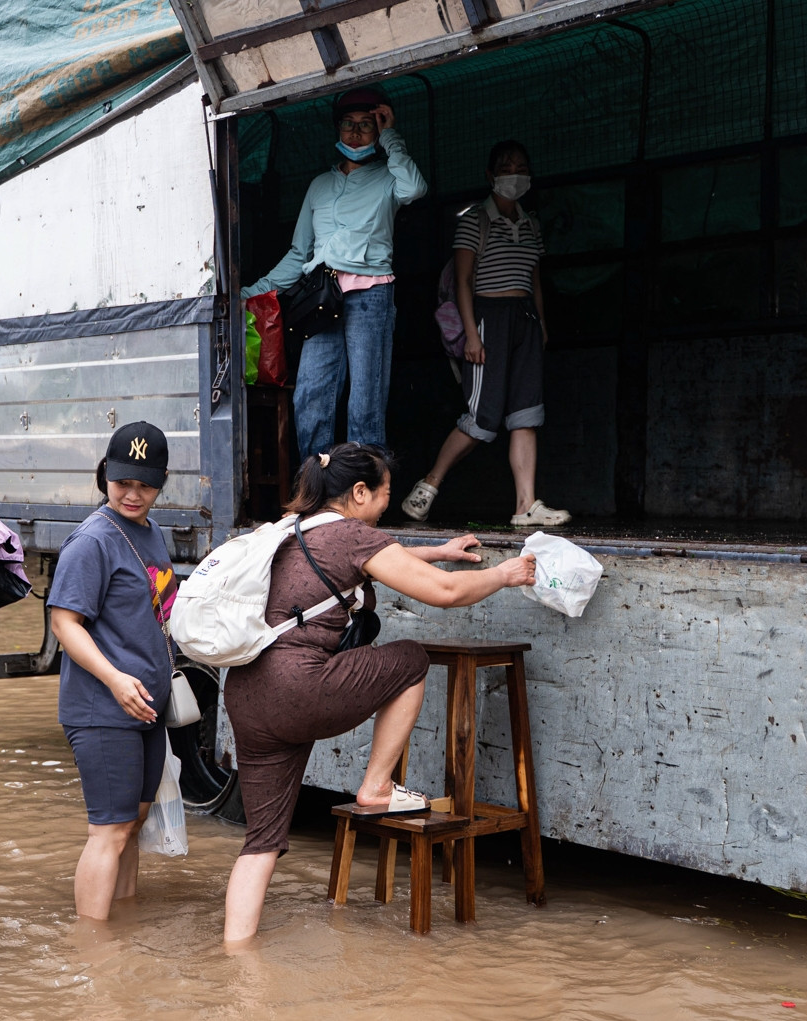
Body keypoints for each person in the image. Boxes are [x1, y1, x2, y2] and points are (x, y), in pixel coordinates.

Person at [220, 443, 536, 943]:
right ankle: (376, 787)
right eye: (385, 495)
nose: (388, 505)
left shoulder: (293, 529)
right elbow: (445, 593)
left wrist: (438, 552)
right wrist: (504, 574)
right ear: (359, 492)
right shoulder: (351, 534)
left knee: (260, 844)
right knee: (410, 659)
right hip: (299, 687)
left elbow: (369, 562)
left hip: (245, 693)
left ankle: (235, 963)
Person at [241, 87, 427, 459]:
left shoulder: (388, 178)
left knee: (365, 400)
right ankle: (319, 494)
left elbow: (415, 188)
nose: (356, 133)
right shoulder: (319, 185)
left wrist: (391, 136)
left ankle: (364, 493)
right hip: (321, 297)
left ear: (377, 132)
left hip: (370, 295)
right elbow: (299, 254)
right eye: (348, 124)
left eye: (366, 125)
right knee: (310, 395)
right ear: (337, 129)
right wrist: (253, 291)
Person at [46, 422, 179, 922]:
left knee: (134, 822)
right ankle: (93, 951)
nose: (132, 493)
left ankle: (122, 931)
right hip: (104, 707)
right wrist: (115, 679)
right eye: (122, 481)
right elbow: (64, 622)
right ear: (105, 475)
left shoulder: (149, 532)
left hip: (145, 706)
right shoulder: (93, 540)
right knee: (109, 829)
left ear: (162, 482)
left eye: (144, 484)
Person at [403, 140, 570, 528]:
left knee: (526, 413)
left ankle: (525, 506)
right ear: (490, 175)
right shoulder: (475, 220)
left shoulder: (531, 224)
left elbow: (534, 280)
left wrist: (541, 324)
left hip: (524, 318)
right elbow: (463, 281)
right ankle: (429, 484)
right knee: (482, 417)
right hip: (486, 318)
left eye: (521, 166)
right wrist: (472, 336)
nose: (515, 173)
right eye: (506, 166)